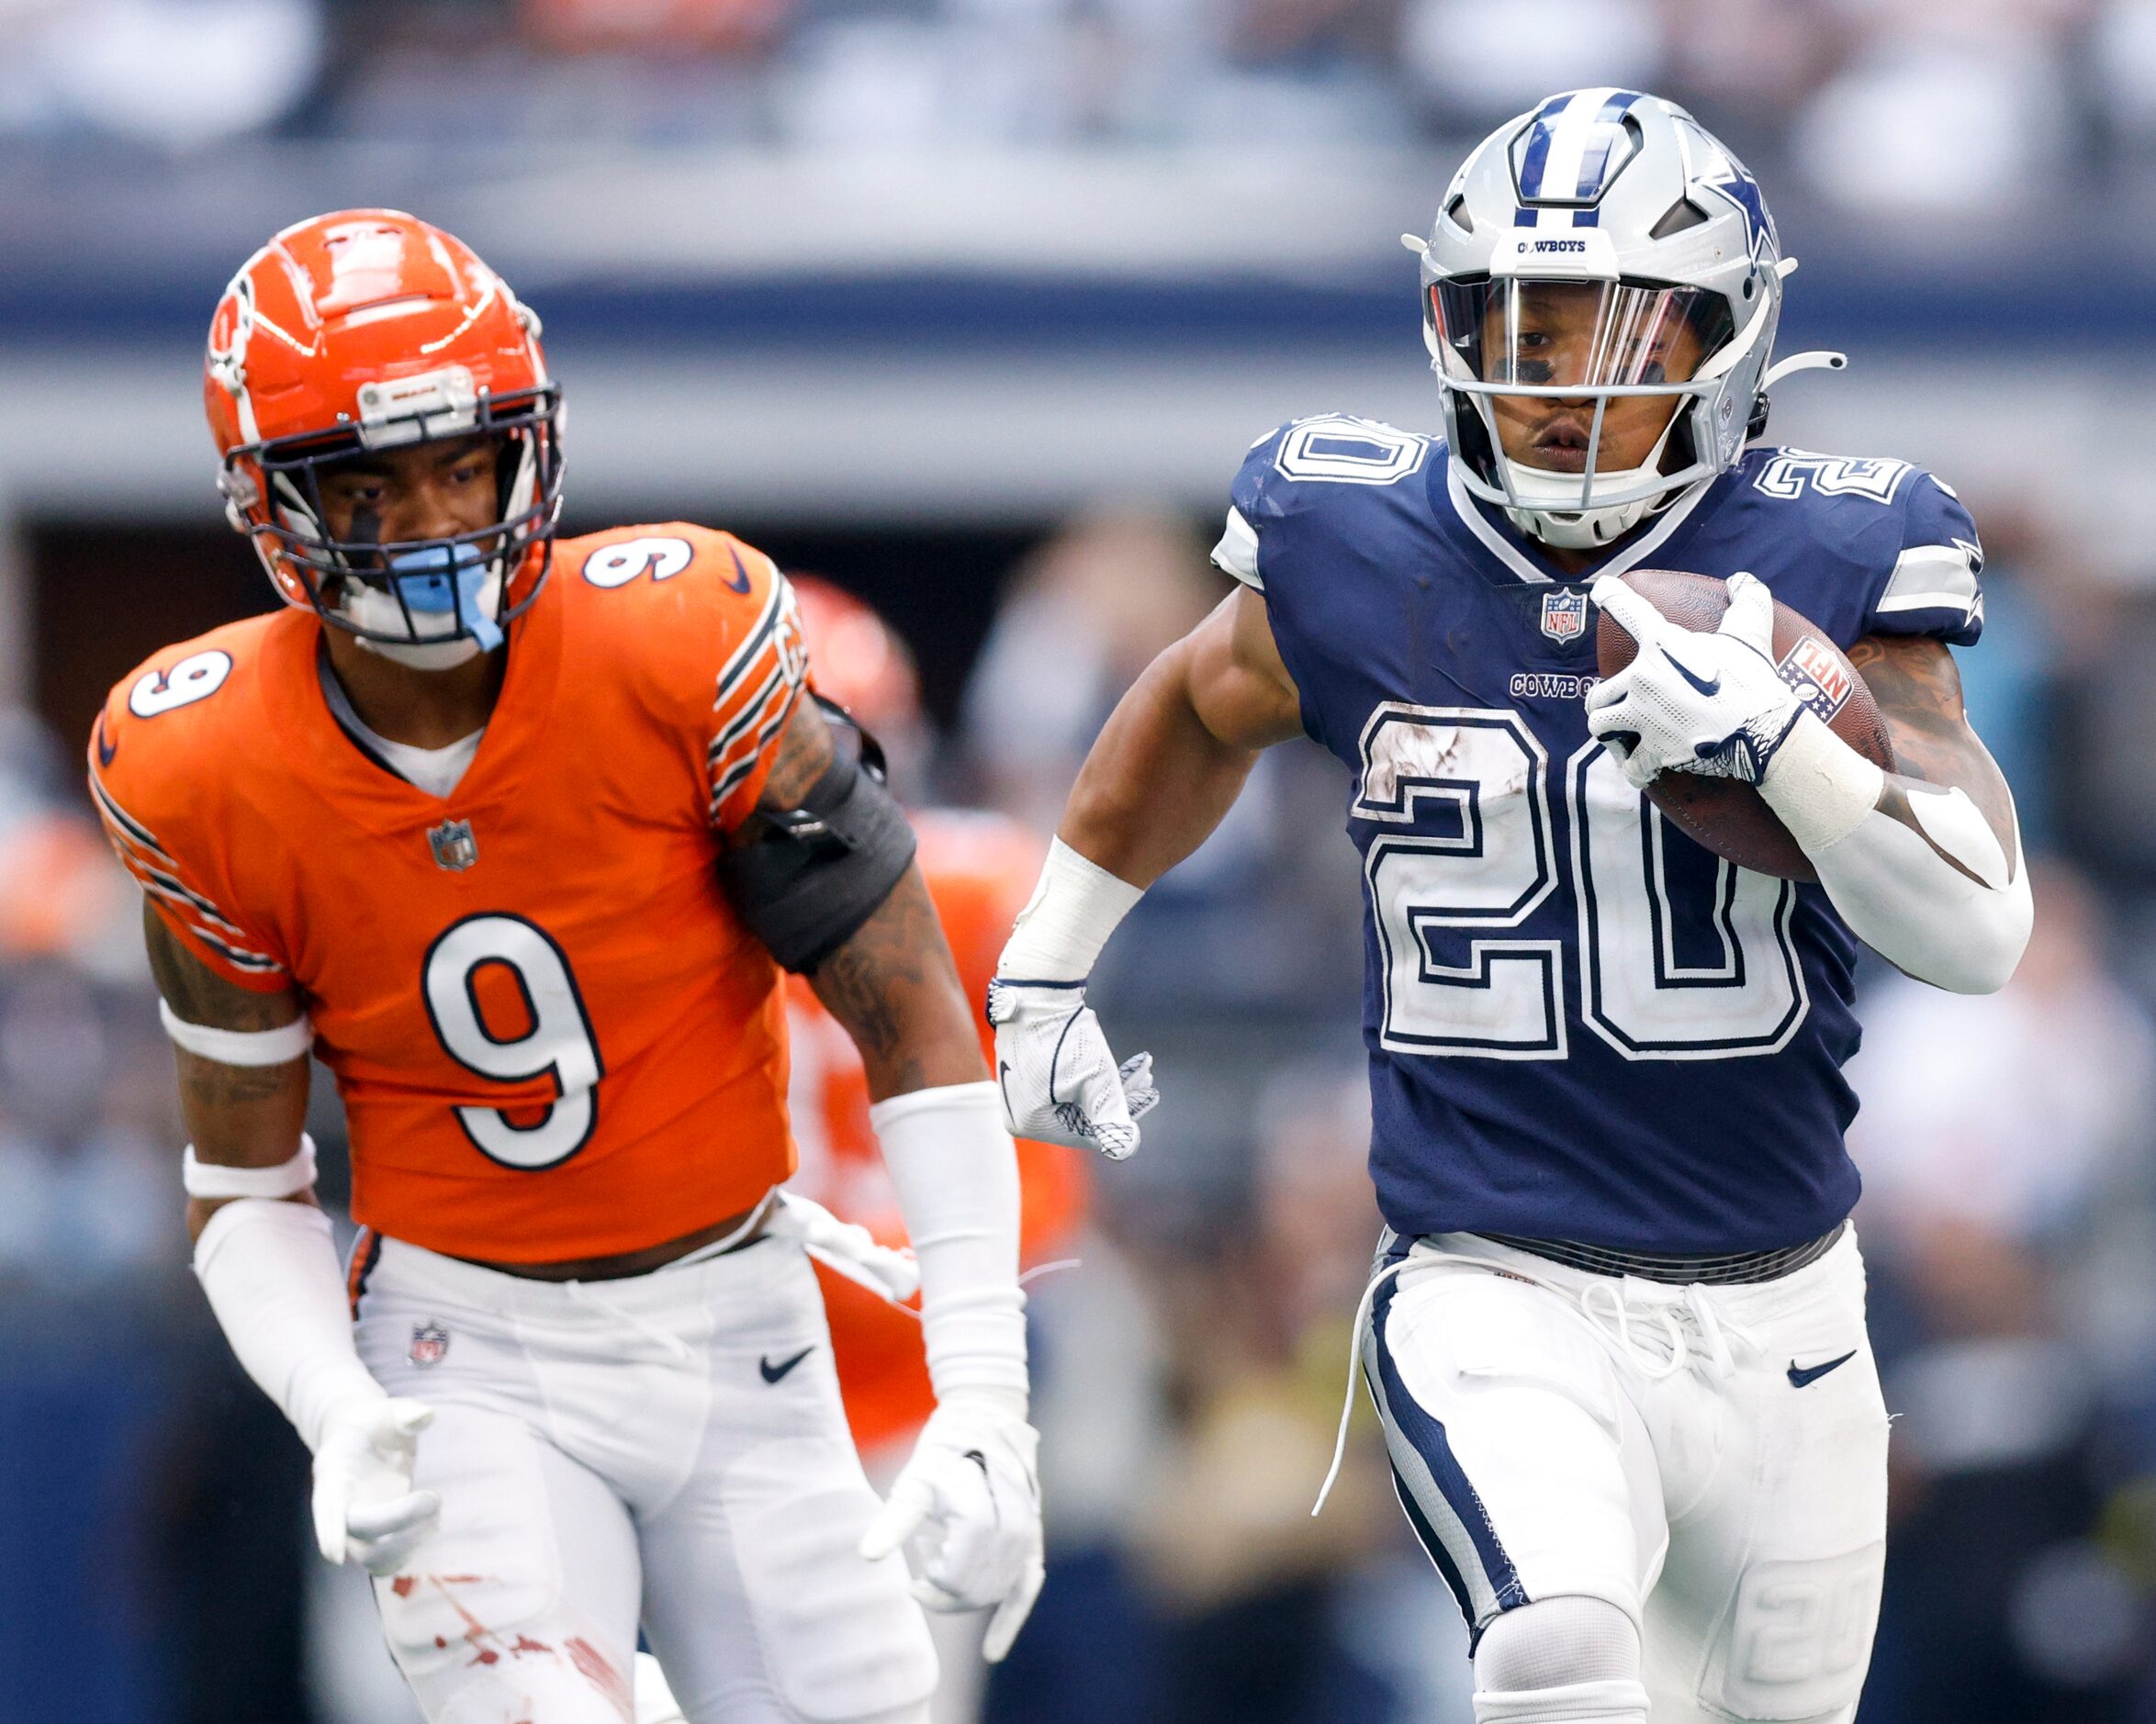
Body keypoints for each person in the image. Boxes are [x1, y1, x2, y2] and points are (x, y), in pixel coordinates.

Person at [987, 91, 2032, 1724]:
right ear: (1447, 324)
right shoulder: (1355, 536)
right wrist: (1045, 967)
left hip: (1785, 1308)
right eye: (1526, 330)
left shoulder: (1829, 548)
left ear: (1732, 335)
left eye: (1625, 330)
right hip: (1493, 1274)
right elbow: (1195, 704)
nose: (1569, 385)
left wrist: (1781, 750)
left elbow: (1977, 933)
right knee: (1551, 1659)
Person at [87, 209, 1043, 1724]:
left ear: (527, 445)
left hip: (743, 1318)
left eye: (463, 462)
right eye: (371, 482)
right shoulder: (200, 761)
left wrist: (987, 1394)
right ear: (272, 505)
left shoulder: (675, 642)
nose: (430, 518)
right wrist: (334, 1407)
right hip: (467, 1346)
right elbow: (244, 1182)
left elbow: (918, 1022)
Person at [636, 577, 1088, 1724]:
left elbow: (1038, 1182)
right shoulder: (979, 880)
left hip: (864, 1382)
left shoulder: (969, 888)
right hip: (793, 1374)